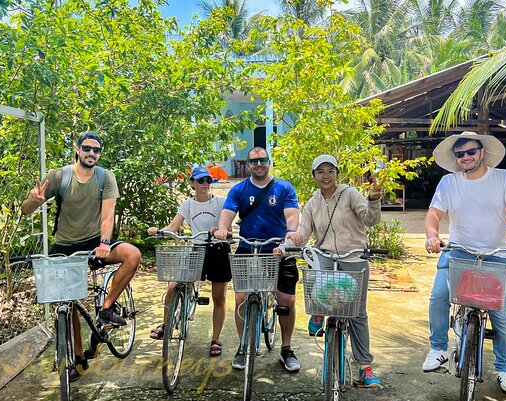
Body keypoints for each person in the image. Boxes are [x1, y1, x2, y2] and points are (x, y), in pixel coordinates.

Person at [423, 131, 506, 396]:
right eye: (460, 154)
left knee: (501, 316)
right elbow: (433, 214)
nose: (465, 157)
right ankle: (439, 348)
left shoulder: (504, 179)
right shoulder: (449, 182)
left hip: (496, 255)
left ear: (482, 151)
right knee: (439, 296)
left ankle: (504, 368)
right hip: (458, 252)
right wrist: (433, 236)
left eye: (470, 152)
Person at [21, 131, 142, 381]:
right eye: (86, 148)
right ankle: (77, 355)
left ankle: (107, 308)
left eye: (96, 150)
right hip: (64, 245)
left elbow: (108, 215)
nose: (91, 153)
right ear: (77, 149)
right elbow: (25, 211)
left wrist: (105, 243)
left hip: (96, 243)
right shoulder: (60, 176)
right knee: (65, 300)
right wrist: (33, 201)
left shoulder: (105, 177)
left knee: (133, 254)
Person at [294, 154, 384, 388]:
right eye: (320, 171)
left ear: (337, 174)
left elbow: (370, 219)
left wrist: (373, 198)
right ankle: (317, 312)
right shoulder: (312, 202)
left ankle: (365, 367)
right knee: (314, 276)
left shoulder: (350, 194)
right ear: (314, 176)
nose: (326, 176)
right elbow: (303, 232)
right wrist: (292, 238)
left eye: (330, 171)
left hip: (353, 257)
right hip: (325, 255)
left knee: (357, 313)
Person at [213, 147, 303, 372]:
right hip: (248, 248)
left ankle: (286, 348)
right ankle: (243, 346)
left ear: (269, 162)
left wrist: (291, 230)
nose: (258, 164)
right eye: (254, 161)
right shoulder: (239, 189)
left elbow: (292, 214)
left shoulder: (284, 187)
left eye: (262, 160)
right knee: (241, 299)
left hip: (278, 250)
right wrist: (223, 229)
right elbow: (227, 212)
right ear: (248, 165)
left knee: (287, 301)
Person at [147, 165, 231, 357]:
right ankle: (166, 324)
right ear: (192, 183)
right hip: (197, 250)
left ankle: (215, 339)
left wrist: (222, 230)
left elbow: (228, 222)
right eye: (201, 180)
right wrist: (158, 231)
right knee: (173, 286)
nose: (205, 184)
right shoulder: (188, 204)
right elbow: (173, 226)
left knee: (219, 297)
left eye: (208, 180)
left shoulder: (220, 202)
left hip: (218, 250)